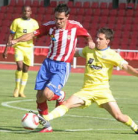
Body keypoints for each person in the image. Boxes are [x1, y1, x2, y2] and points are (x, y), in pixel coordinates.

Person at [9, 4, 95, 132]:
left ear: (67, 17)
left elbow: (88, 36)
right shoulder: (49, 26)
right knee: (39, 97)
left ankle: (60, 95)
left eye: (61, 19)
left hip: (62, 66)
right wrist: (17, 40)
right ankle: (47, 126)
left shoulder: (75, 27)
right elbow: (32, 34)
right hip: (47, 64)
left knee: (47, 94)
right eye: (56, 18)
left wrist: (90, 42)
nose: (58, 22)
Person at [39, 27, 138, 134]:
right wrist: (60, 50)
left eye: (100, 39)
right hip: (86, 91)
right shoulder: (89, 50)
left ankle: (136, 128)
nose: (97, 40)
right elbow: (74, 53)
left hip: (103, 91)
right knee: (67, 103)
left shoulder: (112, 55)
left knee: (119, 117)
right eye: (97, 38)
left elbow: (126, 67)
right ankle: (46, 118)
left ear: (107, 41)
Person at [3, 6, 39, 98]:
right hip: (18, 47)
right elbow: (11, 36)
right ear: (22, 12)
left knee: (26, 69)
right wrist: (6, 49)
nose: (26, 12)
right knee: (19, 66)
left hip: (29, 48)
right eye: (24, 11)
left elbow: (37, 36)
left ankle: (22, 91)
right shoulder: (16, 21)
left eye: (28, 11)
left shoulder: (34, 23)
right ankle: (16, 88)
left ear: (31, 12)